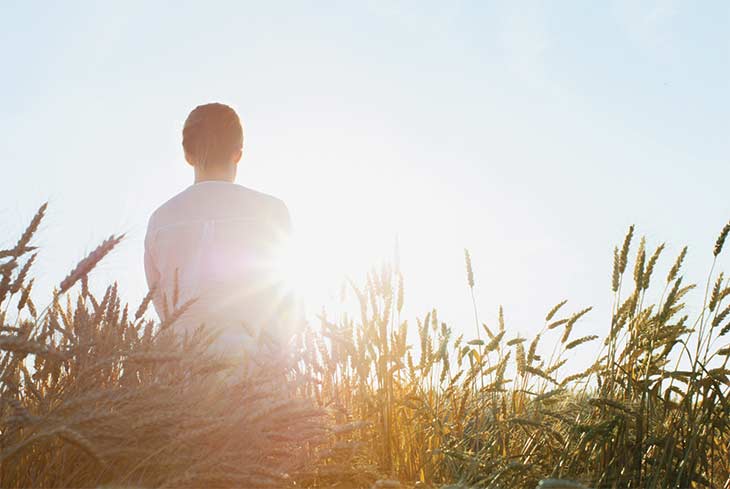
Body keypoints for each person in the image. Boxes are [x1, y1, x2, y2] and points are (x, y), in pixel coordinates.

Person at [144, 102, 296, 363]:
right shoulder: (272, 210)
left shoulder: (160, 219)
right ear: (238, 153)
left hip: (180, 378)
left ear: (187, 155)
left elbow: (163, 306)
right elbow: (288, 305)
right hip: (258, 375)